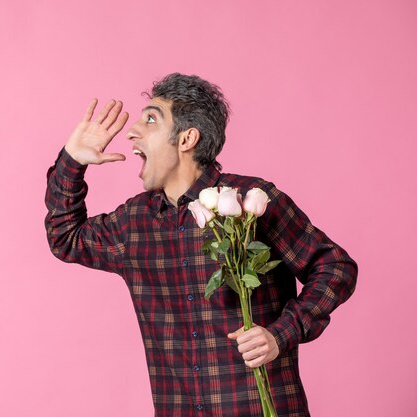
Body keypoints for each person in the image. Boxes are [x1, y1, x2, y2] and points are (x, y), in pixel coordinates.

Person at [44, 73, 357, 417]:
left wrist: (280, 334)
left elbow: (334, 267)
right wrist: (72, 160)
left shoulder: (248, 201)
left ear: (187, 138)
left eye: (150, 119)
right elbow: (65, 237)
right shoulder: (134, 222)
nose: (132, 131)